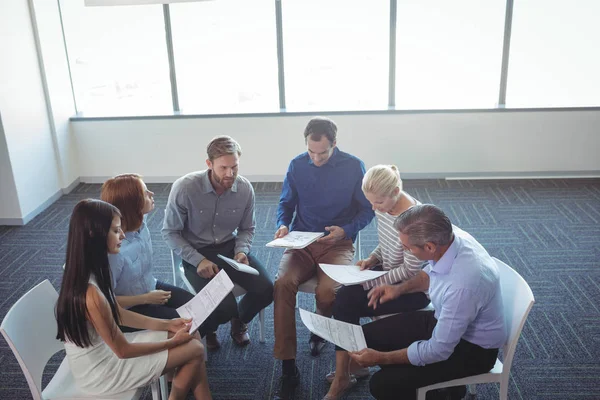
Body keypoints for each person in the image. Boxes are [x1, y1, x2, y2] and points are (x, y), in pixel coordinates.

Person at [56, 199, 211, 400]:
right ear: (94, 235)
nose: (122, 235)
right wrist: (172, 341)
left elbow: (117, 312)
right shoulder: (91, 293)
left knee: (193, 334)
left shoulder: (89, 267)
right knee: (195, 349)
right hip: (101, 371)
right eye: (115, 231)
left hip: (105, 350)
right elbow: (123, 351)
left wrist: (168, 324)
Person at [349, 204, 506, 400]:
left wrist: (382, 358)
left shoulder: (462, 287)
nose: (406, 250)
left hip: (473, 349)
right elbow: (430, 273)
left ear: (430, 247)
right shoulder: (450, 237)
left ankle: (440, 393)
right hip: (446, 319)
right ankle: (435, 386)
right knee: (367, 336)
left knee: (382, 385)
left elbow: (438, 350)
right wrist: (399, 289)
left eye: (407, 248)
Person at [273, 117, 375, 400]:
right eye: (311, 152)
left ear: (334, 144)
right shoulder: (297, 165)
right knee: (282, 284)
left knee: (330, 291)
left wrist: (347, 230)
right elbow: (285, 203)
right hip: (302, 242)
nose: (316, 158)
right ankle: (288, 366)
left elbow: (367, 211)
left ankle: (320, 325)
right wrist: (283, 224)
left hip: (337, 243)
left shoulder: (354, 166)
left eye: (322, 153)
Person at [324, 165, 430, 400]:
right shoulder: (385, 207)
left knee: (344, 304)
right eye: (370, 202)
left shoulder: (415, 220)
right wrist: (373, 258)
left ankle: (345, 374)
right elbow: (387, 243)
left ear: (395, 191)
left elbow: (411, 269)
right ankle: (352, 368)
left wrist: (373, 281)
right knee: (344, 298)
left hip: (409, 288)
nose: (374, 208)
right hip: (386, 274)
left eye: (378, 203)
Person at [162, 135, 273, 349]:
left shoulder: (244, 189)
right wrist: (198, 260)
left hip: (229, 250)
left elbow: (247, 228)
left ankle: (238, 321)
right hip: (196, 252)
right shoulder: (185, 188)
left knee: (267, 289)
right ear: (209, 164)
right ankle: (209, 329)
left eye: (235, 167)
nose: (230, 174)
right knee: (223, 305)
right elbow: (170, 233)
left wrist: (241, 251)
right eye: (223, 168)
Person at [101, 174, 196, 333]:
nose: (152, 194)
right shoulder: (113, 251)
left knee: (198, 309)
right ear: (133, 205)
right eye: (145, 193)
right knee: (188, 323)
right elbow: (104, 302)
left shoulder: (140, 220)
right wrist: (145, 298)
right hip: (129, 310)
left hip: (150, 287)